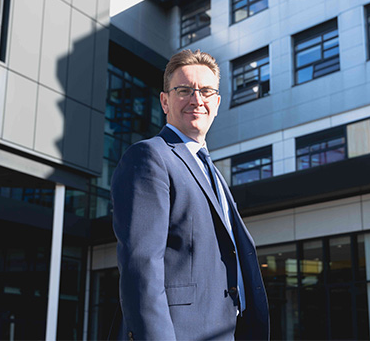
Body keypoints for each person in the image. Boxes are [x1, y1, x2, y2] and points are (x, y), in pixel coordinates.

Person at [111, 49, 269, 340]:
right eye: (184, 90)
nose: (197, 100)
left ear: (217, 103)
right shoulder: (149, 157)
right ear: (165, 101)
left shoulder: (212, 171)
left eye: (206, 91)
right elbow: (141, 267)